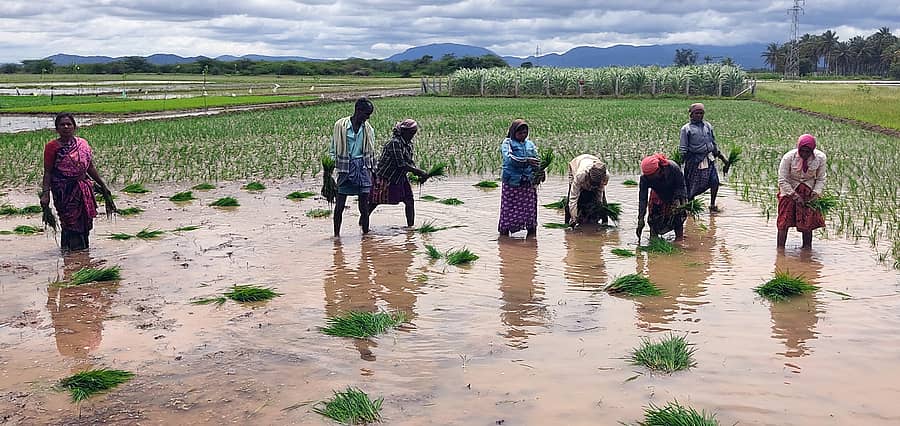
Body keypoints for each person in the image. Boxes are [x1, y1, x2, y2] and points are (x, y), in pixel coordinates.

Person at [39, 113, 115, 251]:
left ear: (74, 127)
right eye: (62, 124)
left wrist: (103, 186)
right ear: (57, 128)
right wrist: (45, 194)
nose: (66, 127)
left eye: (69, 124)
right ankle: (75, 254)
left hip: (83, 189)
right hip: (63, 191)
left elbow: (90, 167)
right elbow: (48, 172)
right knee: (70, 221)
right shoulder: (52, 147)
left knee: (84, 222)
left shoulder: (82, 144)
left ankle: (76, 255)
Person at [368, 119, 428, 227]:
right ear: (404, 132)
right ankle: (363, 223)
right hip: (386, 176)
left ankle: (410, 229)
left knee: (409, 201)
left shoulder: (408, 144)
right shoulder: (394, 143)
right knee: (375, 201)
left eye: (414, 133)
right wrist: (419, 172)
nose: (412, 135)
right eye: (411, 133)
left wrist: (419, 174)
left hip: (399, 176)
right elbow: (401, 164)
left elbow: (409, 162)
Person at [331, 97, 376, 237]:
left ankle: (365, 235)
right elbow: (333, 149)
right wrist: (330, 169)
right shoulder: (341, 126)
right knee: (340, 205)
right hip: (345, 167)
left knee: (364, 206)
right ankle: (336, 236)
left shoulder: (368, 129)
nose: (368, 117)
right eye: (366, 114)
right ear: (358, 110)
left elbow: (371, 151)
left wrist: (374, 172)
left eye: (369, 115)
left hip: (362, 168)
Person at [777, 134, 827, 249]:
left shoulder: (820, 158)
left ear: (812, 150)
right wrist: (794, 195)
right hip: (789, 188)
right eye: (802, 151)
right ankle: (780, 251)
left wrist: (815, 193)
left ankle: (806, 250)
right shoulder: (788, 157)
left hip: (808, 189)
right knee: (783, 221)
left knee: (807, 221)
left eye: (807, 151)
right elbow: (782, 179)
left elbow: (821, 178)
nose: (804, 154)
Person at [679, 103, 727, 212]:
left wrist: (723, 158)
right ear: (691, 115)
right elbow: (683, 148)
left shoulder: (708, 126)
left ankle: (712, 205)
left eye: (701, 113)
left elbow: (713, 143)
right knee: (692, 186)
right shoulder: (686, 129)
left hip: (708, 159)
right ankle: (690, 207)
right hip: (694, 161)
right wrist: (679, 163)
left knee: (714, 181)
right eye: (697, 113)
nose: (699, 115)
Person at [498, 119, 540, 237]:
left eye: (525, 133)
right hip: (512, 182)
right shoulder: (508, 143)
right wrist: (526, 161)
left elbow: (536, 159)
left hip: (528, 182)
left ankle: (532, 235)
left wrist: (540, 172)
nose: (523, 135)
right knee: (509, 209)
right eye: (520, 133)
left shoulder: (530, 144)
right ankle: (504, 235)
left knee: (529, 211)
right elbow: (508, 158)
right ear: (513, 132)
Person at [636, 153, 687, 242]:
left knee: (677, 219)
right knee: (653, 221)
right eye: (648, 176)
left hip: (674, 194)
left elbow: (681, 186)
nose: (650, 178)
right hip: (657, 196)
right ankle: (654, 243)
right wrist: (641, 219)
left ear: (658, 169)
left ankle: (679, 241)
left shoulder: (673, 168)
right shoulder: (645, 178)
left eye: (652, 175)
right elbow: (642, 198)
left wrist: (680, 201)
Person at [565, 154, 609, 227]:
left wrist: (597, 207)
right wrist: (574, 217)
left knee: (603, 201)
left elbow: (599, 195)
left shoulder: (605, 176)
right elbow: (573, 199)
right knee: (570, 198)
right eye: (592, 183)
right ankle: (567, 223)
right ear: (588, 176)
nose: (593, 186)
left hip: (593, 160)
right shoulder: (580, 175)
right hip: (576, 163)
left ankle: (605, 222)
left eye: (596, 184)